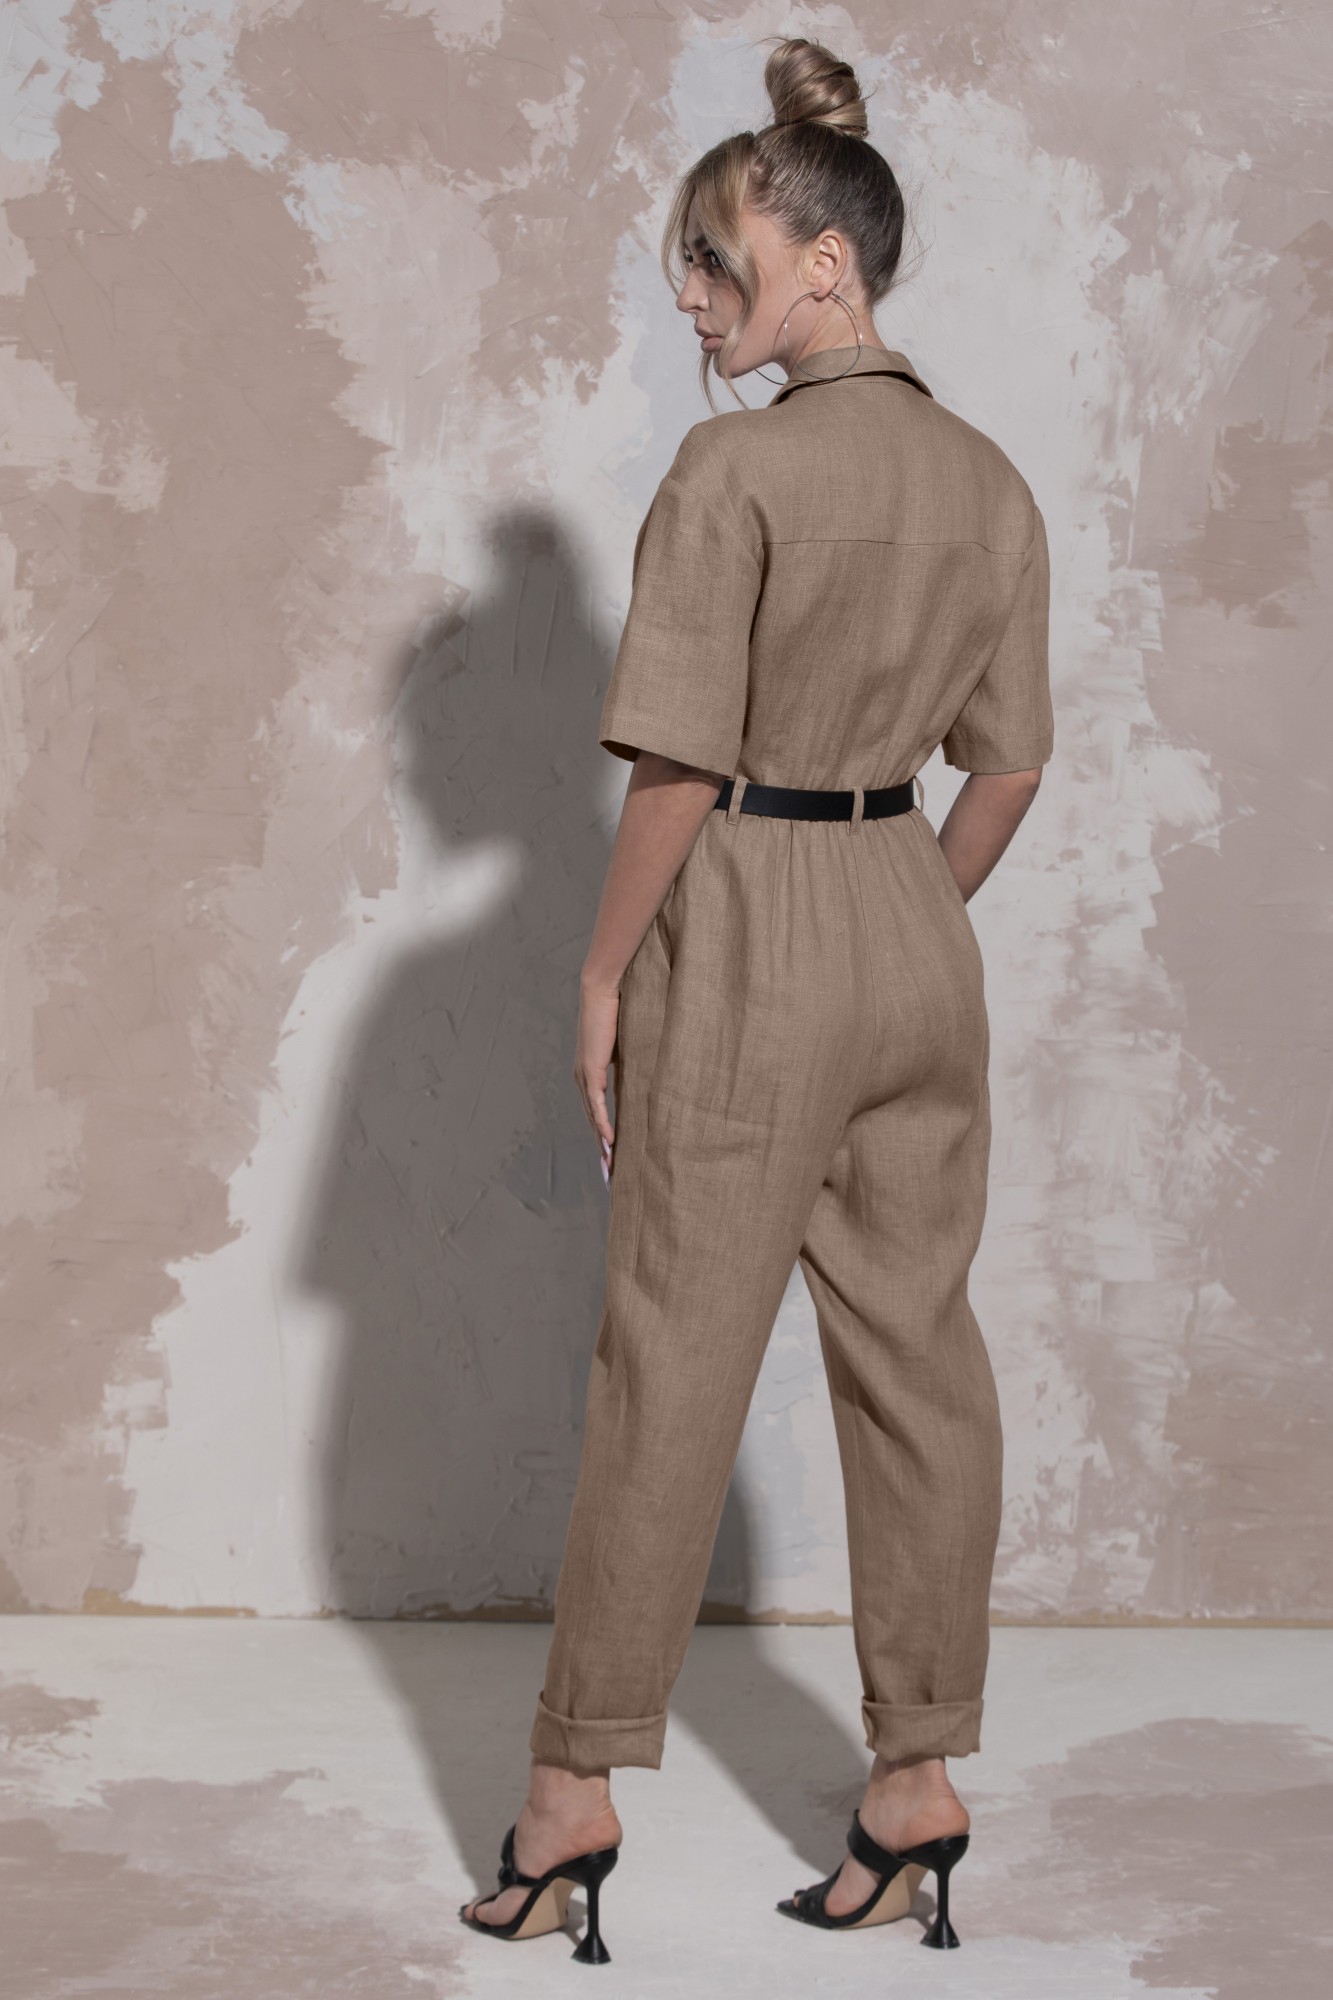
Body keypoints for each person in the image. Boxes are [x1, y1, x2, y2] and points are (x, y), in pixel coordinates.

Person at [460, 34, 1053, 1962]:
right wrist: (902, 920)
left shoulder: (735, 469)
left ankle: (570, 1801)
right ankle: (918, 1779)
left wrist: (602, 970)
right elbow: (1007, 766)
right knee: (918, 1363)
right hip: (912, 922)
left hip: (749, 921)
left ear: (827, 264)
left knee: (669, 1366)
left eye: (717, 264)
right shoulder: (988, 483)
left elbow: (680, 768)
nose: (696, 303)